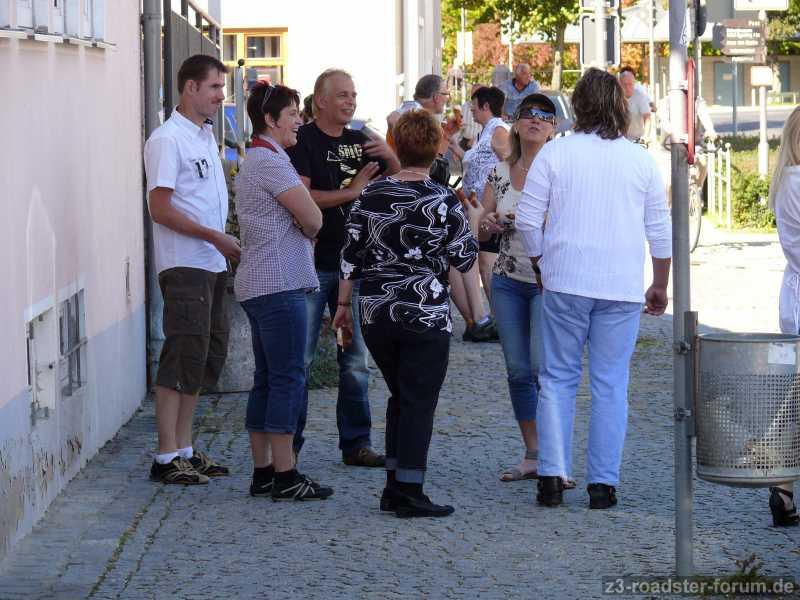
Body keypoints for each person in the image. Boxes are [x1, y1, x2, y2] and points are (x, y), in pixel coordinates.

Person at [516, 68, 672, 509]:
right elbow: (660, 231)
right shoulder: (640, 159)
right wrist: (659, 284)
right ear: (619, 106)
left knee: (557, 378)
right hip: (620, 286)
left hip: (565, 279)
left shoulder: (556, 153)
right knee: (610, 383)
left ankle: (551, 475)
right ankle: (603, 484)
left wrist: (541, 262)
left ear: (577, 105)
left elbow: (527, 219)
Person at [332, 109, 478, 518]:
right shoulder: (442, 199)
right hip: (424, 312)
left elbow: (350, 256)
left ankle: (394, 485)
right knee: (418, 401)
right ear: (436, 148)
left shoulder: (369, 195)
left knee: (401, 395)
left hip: (376, 311)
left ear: (395, 144)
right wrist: (473, 220)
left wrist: (342, 306)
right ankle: (410, 490)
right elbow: (465, 259)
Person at [287, 68, 400, 467]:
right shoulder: (302, 141)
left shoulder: (360, 141)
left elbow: (401, 178)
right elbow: (302, 197)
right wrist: (352, 192)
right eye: (342, 95)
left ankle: (356, 444)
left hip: (356, 267)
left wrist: (389, 154)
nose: (351, 101)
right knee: (300, 361)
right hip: (313, 265)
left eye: (353, 94)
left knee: (354, 363)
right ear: (320, 100)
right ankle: (289, 447)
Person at [233, 82, 333, 501]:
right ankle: (285, 473)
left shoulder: (258, 158)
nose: (299, 121)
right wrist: (305, 226)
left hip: (261, 282)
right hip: (279, 282)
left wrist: (299, 222)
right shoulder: (272, 162)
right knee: (287, 378)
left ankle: (264, 472)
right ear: (270, 120)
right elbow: (313, 218)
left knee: (267, 378)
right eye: (292, 114)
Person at [144, 54, 240, 485]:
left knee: (204, 357)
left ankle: (185, 448)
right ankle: (165, 456)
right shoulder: (168, 140)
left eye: (222, 87)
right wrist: (213, 236)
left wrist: (218, 243)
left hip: (211, 262)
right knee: (181, 354)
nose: (221, 96)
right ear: (190, 88)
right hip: (185, 265)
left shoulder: (203, 136)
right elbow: (160, 209)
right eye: (215, 87)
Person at [477, 93, 559, 483]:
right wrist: (490, 223)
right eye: (529, 114)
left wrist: (535, 222)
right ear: (517, 123)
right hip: (507, 280)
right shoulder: (499, 172)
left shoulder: (560, 171)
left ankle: (554, 457)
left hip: (547, 281)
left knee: (544, 369)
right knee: (517, 371)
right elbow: (481, 227)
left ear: (554, 128)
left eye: (545, 115)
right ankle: (533, 453)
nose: (535, 120)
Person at [766, 106, 800, 527]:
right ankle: (779, 480)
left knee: (795, 402)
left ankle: (783, 485)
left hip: (794, 295)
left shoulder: (789, 180)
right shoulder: (796, 182)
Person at [462, 86, 510, 307]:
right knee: (485, 261)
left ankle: (500, 314)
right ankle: (498, 313)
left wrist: (502, 203)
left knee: (487, 261)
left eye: (474, 106)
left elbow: (510, 163)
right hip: (479, 208)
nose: (471, 110)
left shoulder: (498, 130)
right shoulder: (484, 132)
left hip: (491, 208)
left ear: (486, 106)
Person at [619, 68, 651, 142]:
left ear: (634, 83)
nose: (627, 87)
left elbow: (647, 117)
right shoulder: (614, 96)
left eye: (630, 84)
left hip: (636, 139)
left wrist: (645, 136)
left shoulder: (640, 96)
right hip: (619, 139)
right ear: (619, 84)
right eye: (625, 84)